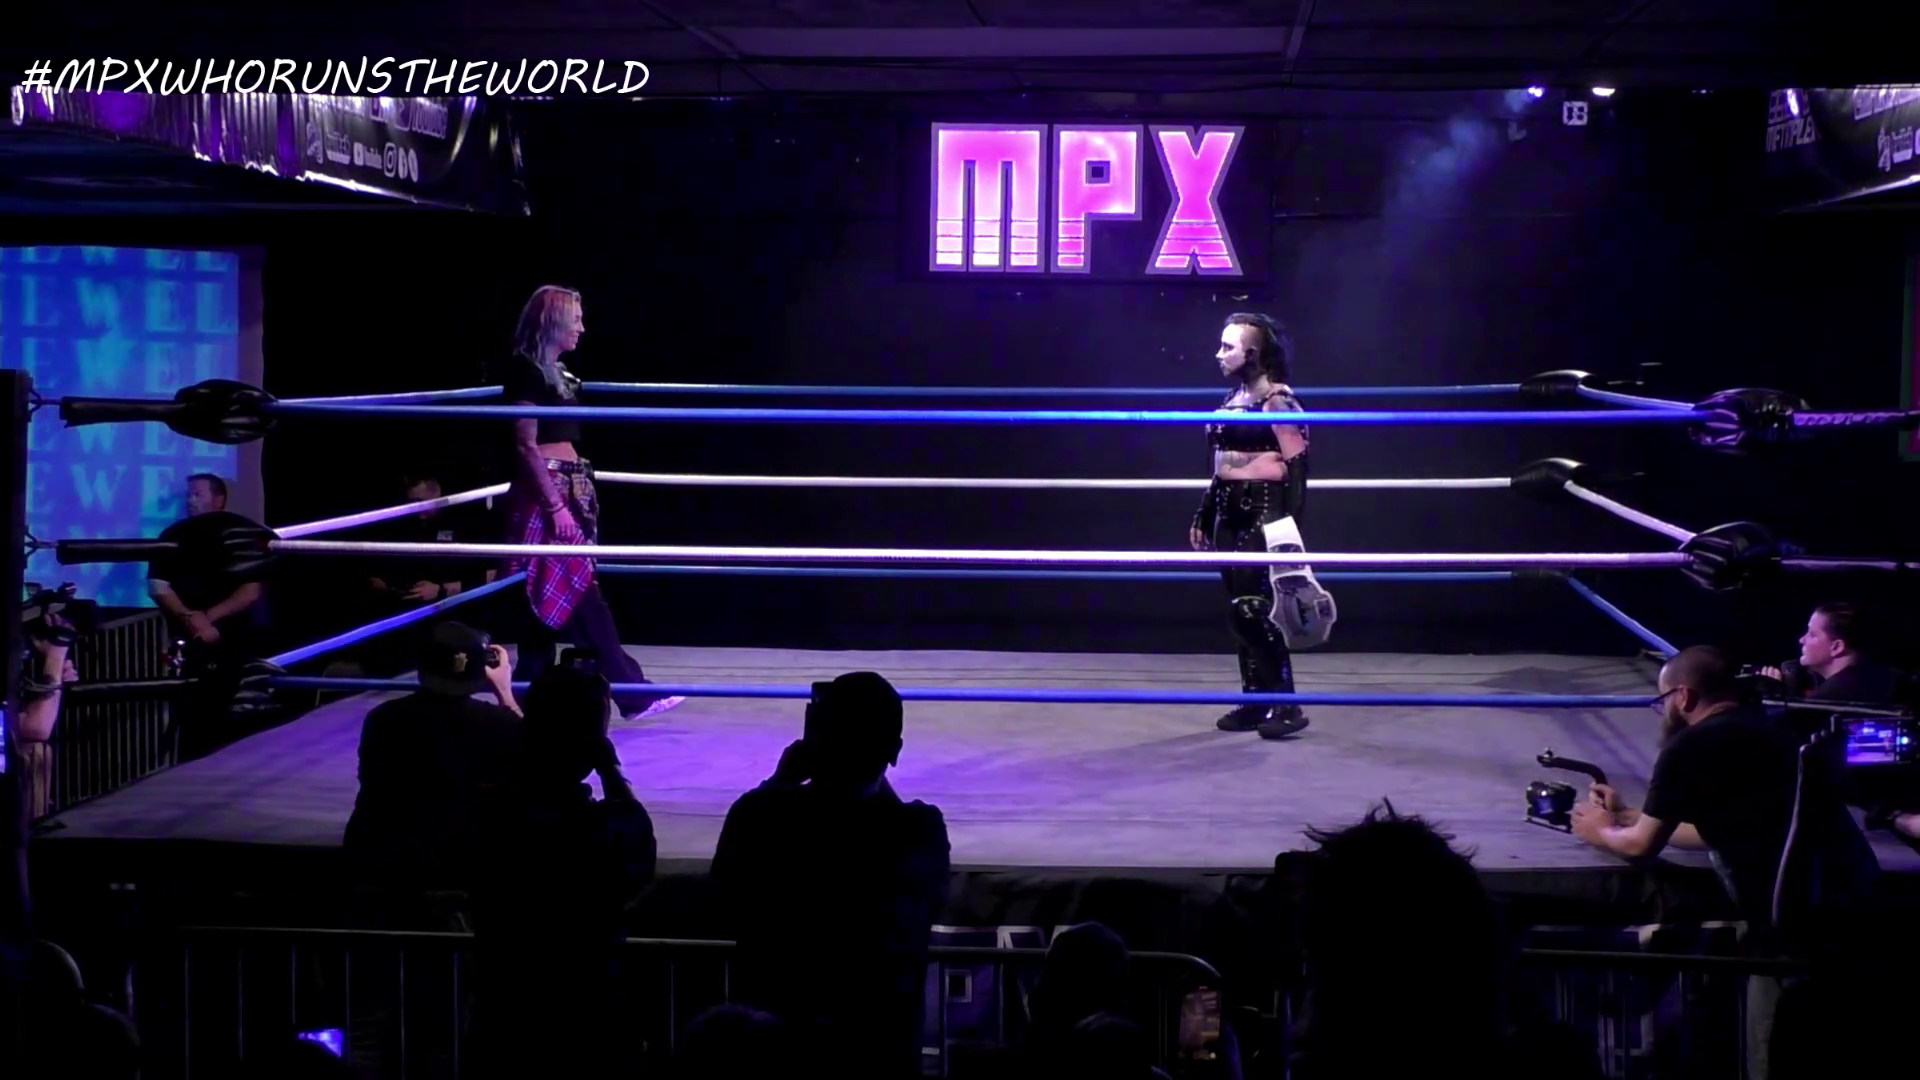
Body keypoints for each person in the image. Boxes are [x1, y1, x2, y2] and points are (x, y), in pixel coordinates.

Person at [710, 672, 951, 1078]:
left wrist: (781, 782)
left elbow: (722, 896)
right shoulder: (919, 829)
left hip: (777, 1049)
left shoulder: (764, 817)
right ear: (894, 750)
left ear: (815, 738)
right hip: (878, 1052)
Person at [496, 285, 681, 720]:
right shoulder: (525, 370)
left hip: (570, 484)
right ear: (555, 322)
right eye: (576, 319)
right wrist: (554, 506)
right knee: (578, 587)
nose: (582, 327)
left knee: (550, 593)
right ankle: (632, 692)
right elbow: (525, 444)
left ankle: (527, 698)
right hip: (549, 489)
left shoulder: (553, 372)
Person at [1189, 313, 1334, 740]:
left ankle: (1286, 703)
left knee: (1250, 608)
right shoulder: (1230, 399)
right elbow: (1222, 465)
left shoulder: (1278, 402)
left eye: (1228, 347)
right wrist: (1204, 512)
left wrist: (1291, 529)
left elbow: (1298, 468)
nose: (1219, 354)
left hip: (1263, 508)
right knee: (1239, 609)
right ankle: (1255, 702)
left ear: (1252, 354)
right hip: (1227, 509)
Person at [146, 473, 273, 758]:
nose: (190, 501)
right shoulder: (173, 535)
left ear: (219, 499)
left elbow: (251, 589)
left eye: (198, 494)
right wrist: (191, 618)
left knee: (236, 714)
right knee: (192, 716)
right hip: (192, 641)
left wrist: (208, 618)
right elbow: (157, 585)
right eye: (189, 495)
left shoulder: (241, 533)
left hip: (237, 640)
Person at [353, 472, 499, 676]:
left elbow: (491, 574)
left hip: (455, 615)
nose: (414, 507)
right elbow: (381, 566)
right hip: (409, 617)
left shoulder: (466, 525)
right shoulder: (404, 526)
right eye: (410, 502)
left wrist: (440, 590)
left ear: (436, 495)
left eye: (419, 501)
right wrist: (385, 584)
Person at [1759, 602, 1904, 704]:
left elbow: (1785, 735)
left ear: (1836, 647)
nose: (1801, 640)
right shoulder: (1890, 679)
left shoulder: (1827, 700)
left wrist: (1773, 700)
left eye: (1812, 635)